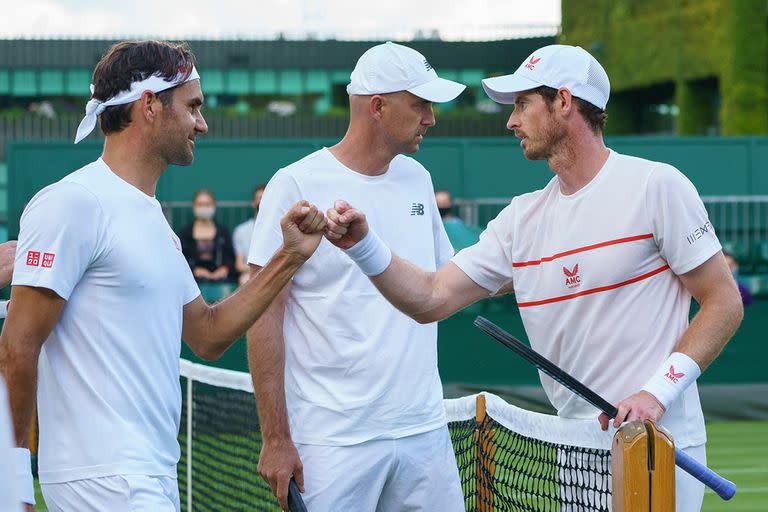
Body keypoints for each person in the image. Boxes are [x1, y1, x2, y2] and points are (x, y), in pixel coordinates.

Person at [326, 44, 743, 512]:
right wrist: (363, 243)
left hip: (656, 445)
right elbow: (430, 298)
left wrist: (657, 393)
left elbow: (724, 303)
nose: (511, 121)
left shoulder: (657, 186)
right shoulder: (520, 220)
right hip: (577, 455)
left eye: (523, 104)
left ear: (564, 102)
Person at [0, 40, 325, 511]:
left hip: (147, 475)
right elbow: (17, 347)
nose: (202, 123)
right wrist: (12, 489)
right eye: (193, 107)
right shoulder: (73, 203)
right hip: (104, 480)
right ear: (149, 105)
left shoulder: (153, 219)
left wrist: (289, 257)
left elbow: (207, 335)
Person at [246, 41, 466, 511]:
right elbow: (263, 313)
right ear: (378, 107)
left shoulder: (418, 179)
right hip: (331, 442)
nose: (431, 117)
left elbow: (444, 280)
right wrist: (275, 438)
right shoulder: (296, 183)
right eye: (420, 103)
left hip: (424, 430)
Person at [179, 188, 236, 283]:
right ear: (194, 206)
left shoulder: (223, 232)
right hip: (193, 280)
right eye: (200, 204)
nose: (204, 207)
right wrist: (194, 270)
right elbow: (181, 258)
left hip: (221, 280)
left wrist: (225, 269)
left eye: (207, 204)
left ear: (214, 206)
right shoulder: (185, 233)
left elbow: (230, 257)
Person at [233, 184, 266, 285]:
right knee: (245, 280)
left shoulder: (280, 227)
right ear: (253, 202)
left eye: (267, 197)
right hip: (250, 274)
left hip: (274, 274)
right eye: (260, 198)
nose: (263, 201)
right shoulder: (241, 231)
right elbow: (239, 265)